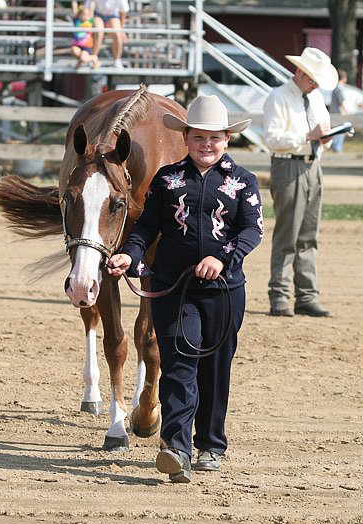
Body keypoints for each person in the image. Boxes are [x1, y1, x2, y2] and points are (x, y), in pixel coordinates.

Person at [106, 95, 263, 483]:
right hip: (174, 288)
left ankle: (210, 443)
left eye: (214, 138)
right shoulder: (167, 179)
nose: (206, 145)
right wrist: (130, 254)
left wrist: (223, 258)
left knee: (215, 368)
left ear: (227, 139)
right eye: (198, 138)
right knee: (178, 364)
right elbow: (146, 228)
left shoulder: (243, 182)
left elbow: (251, 230)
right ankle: (176, 447)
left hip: (225, 290)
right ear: (186, 139)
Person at [263, 47, 337, 318]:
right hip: (288, 165)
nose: (316, 84)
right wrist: (308, 136)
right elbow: (272, 139)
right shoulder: (278, 97)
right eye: (313, 78)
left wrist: (323, 139)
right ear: (300, 72)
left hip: (312, 165)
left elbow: (320, 131)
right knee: (288, 234)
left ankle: (307, 295)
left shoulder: (315, 99)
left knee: (308, 234)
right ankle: (279, 295)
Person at [90, 0, 129, 69]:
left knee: (117, 34)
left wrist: (122, 31)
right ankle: (93, 58)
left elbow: (123, 12)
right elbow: (90, 7)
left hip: (113, 16)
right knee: (98, 32)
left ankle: (117, 60)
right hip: (98, 15)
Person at [70, 4, 99, 69]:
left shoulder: (90, 21)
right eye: (83, 14)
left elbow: (91, 9)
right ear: (79, 15)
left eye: (86, 14)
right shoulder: (76, 21)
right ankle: (80, 62)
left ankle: (94, 57)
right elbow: (74, 9)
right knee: (74, 50)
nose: (84, 16)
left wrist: (92, 3)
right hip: (77, 45)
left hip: (87, 46)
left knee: (83, 58)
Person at [329, 68, 350, 153]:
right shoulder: (339, 88)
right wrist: (346, 111)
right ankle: (336, 148)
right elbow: (341, 102)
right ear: (344, 78)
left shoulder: (335, 88)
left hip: (333, 112)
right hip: (338, 113)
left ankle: (335, 147)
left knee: (336, 131)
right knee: (340, 132)